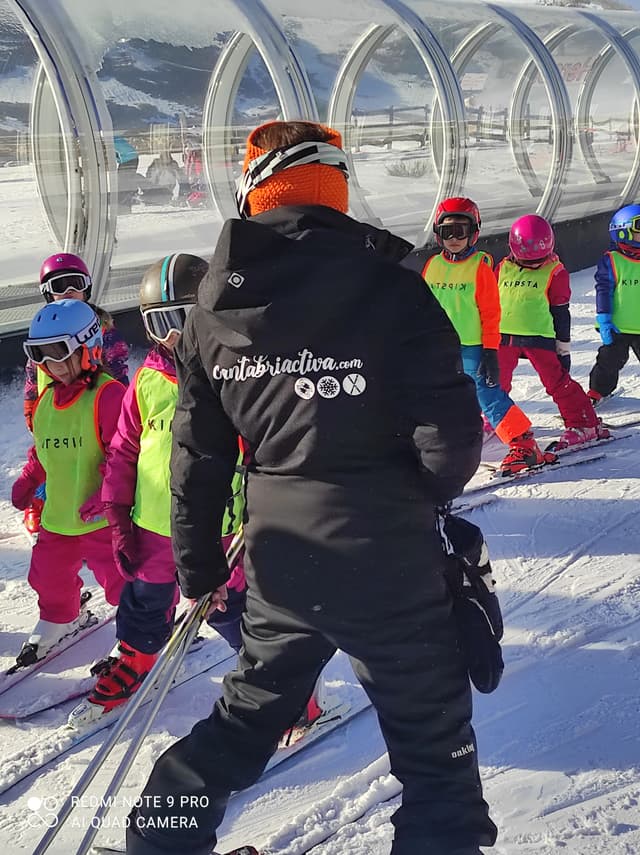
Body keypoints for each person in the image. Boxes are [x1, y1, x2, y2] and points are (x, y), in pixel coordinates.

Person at [126, 120, 496, 855]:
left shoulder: (209, 311)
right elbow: (452, 433)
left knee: (245, 717)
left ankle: (160, 838)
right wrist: (409, 497)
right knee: (434, 755)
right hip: (390, 560)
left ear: (255, 190)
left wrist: (199, 567)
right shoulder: (393, 286)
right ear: (334, 189)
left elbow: (198, 458)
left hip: (280, 562)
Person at [83, 253, 247, 719]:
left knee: (230, 606)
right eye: (161, 323)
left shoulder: (234, 377)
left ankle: (273, 680)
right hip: (153, 526)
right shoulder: (148, 379)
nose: (176, 335)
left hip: (218, 530)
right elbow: (124, 449)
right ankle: (137, 655)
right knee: (144, 596)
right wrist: (117, 515)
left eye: (187, 318)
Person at [10, 300, 126, 666]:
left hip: (102, 520)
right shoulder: (46, 401)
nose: (54, 366)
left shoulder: (108, 396)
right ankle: (62, 616)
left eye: (61, 353)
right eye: (42, 356)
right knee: (47, 575)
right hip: (59, 517)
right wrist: (29, 479)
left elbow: (124, 454)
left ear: (89, 347)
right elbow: (42, 450)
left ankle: (140, 630)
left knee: (120, 579)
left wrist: (107, 493)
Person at [421, 197, 547, 475]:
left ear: (474, 232)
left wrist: (490, 351)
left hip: (473, 346)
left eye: (461, 231)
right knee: (438, 393)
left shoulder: (480, 265)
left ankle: (524, 444)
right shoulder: (432, 265)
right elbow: (423, 306)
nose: (454, 239)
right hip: (440, 345)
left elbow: (490, 312)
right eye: (447, 232)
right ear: (437, 233)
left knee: (486, 394)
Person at [22, 252, 129, 535]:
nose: (67, 292)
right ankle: (41, 502)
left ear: (87, 288)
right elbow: (33, 377)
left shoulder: (102, 330)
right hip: (54, 408)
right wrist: (33, 411)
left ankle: (99, 506)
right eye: (58, 286)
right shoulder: (42, 330)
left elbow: (118, 370)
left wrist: (123, 410)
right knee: (53, 460)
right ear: (47, 293)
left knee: (90, 462)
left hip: (93, 410)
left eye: (74, 284)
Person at [496, 215, 608, 450]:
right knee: (495, 381)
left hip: (539, 336)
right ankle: (496, 418)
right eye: (529, 261)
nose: (535, 264)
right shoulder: (502, 268)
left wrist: (563, 347)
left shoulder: (555, 272)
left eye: (539, 259)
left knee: (556, 382)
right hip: (503, 336)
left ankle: (584, 422)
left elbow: (560, 313)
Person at [587, 204, 640, 405]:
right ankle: (597, 391)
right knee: (609, 361)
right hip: (619, 326)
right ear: (623, 231)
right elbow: (603, 290)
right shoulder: (612, 260)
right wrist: (604, 319)